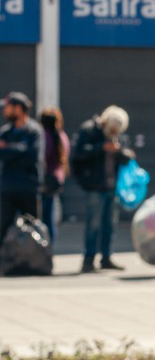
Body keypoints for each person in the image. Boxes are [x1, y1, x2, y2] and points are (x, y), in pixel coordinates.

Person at [71, 105, 134, 273]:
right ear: (105, 122)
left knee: (110, 224)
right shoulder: (89, 130)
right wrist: (101, 148)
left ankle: (106, 257)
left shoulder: (117, 136)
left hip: (112, 186)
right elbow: (78, 154)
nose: (114, 133)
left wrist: (119, 151)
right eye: (112, 130)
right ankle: (88, 259)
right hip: (94, 186)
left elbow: (128, 157)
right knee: (94, 224)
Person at [0, 91, 43, 243]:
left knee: (32, 227)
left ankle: (33, 261)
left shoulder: (33, 131)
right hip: (8, 188)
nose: (4, 111)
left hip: (28, 188)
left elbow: (32, 156)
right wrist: (18, 150)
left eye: (7, 107)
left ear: (18, 108)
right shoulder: (5, 132)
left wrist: (9, 149)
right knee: (3, 227)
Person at [39, 107, 71, 244]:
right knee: (50, 217)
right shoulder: (62, 136)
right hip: (56, 181)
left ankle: (43, 246)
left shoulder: (44, 137)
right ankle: (49, 247)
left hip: (44, 181)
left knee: (42, 217)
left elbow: (41, 159)